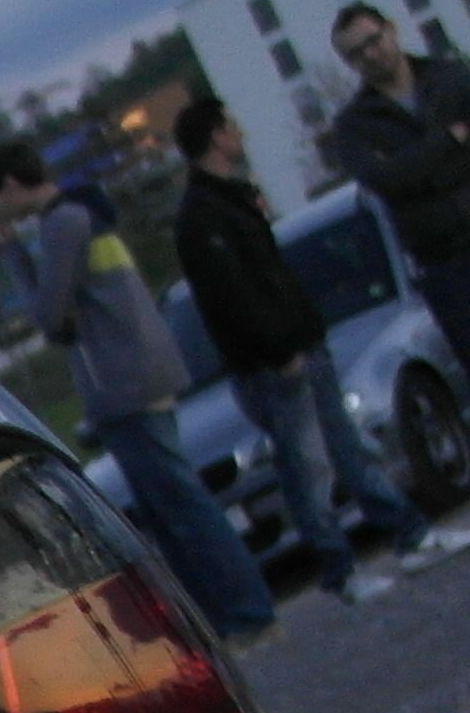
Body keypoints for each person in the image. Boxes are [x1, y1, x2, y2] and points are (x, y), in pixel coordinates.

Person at [0, 142, 278, 641]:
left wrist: (13, 256)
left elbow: (49, 315)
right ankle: (223, 618)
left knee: (182, 508)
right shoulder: (86, 211)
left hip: (121, 382)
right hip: (144, 373)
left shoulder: (62, 224)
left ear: (11, 185)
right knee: (173, 509)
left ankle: (246, 612)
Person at [173, 92, 457, 601]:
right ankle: (341, 569)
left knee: (348, 452)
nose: (240, 134)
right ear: (216, 136)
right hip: (277, 363)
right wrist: (278, 350)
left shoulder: (232, 201)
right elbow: (232, 295)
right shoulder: (205, 218)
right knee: (309, 469)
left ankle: (409, 535)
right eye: (232, 125)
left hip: (303, 347)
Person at [325, 2, 470, 363]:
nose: (370, 55)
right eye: (356, 53)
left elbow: (401, 174)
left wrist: (413, 166)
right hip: (444, 263)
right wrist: (450, 140)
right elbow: (385, 180)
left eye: (373, 41)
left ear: (390, 29)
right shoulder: (354, 127)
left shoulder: (451, 78)